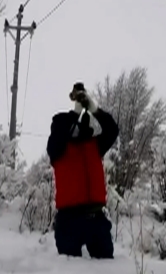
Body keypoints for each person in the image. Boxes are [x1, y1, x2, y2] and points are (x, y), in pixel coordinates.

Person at [46, 82, 119, 259]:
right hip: (68, 220)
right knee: (69, 269)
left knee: (107, 268)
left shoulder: (94, 146)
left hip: (96, 219)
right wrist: (76, 111)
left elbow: (112, 129)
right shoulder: (57, 148)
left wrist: (93, 108)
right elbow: (60, 132)